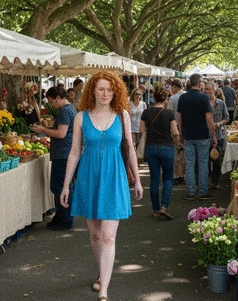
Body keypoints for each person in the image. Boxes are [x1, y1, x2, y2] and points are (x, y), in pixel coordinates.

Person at [60, 71, 143, 301]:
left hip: (114, 178)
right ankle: (101, 272)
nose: (105, 93)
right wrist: (66, 184)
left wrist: (136, 179)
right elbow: (75, 152)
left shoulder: (122, 115)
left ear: (114, 91)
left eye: (109, 89)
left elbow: (130, 148)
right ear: (92, 91)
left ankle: (104, 290)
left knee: (108, 236)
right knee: (95, 235)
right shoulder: (80, 118)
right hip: (89, 177)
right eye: (101, 89)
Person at [33, 87, 77, 231]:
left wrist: (43, 130)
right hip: (66, 152)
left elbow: (61, 133)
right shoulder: (72, 109)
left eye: (52, 101)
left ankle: (65, 220)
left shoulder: (64, 111)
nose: (52, 105)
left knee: (60, 187)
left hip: (63, 153)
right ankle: (60, 217)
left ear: (58, 98)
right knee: (62, 186)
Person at [141, 86, 179, 219]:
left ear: (153, 98)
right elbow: (175, 132)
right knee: (168, 178)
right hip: (167, 147)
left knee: (154, 179)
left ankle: (156, 209)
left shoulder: (146, 112)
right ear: (166, 99)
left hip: (151, 147)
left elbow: (141, 130)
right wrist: (177, 140)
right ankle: (164, 206)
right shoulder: (169, 113)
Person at [178, 73, 217, 201]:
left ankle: (190, 192)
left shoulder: (183, 98)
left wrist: (180, 133)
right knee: (202, 164)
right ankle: (203, 191)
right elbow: (208, 118)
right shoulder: (204, 98)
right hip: (202, 136)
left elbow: (180, 118)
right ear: (200, 84)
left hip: (188, 135)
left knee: (189, 164)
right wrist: (213, 136)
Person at [204, 82, 229, 190]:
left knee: (217, 160)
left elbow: (227, 118)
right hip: (204, 136)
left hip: (218, 135)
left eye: (208, 89)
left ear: (213, 91)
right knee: (205, 161)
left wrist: (219, 123)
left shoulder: (221, 103)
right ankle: (205, 182)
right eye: (204, 89)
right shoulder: (203, 103)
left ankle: (215, 182)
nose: (205, 91)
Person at [166, 78, 186, 185]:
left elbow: (169, 113)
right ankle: (182, 175)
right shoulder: (187, 96)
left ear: (174, 87)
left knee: (175, 152)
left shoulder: (172, 98)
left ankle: (175, 176)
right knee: (183, 153)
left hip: (174, 127)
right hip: (186, 128)